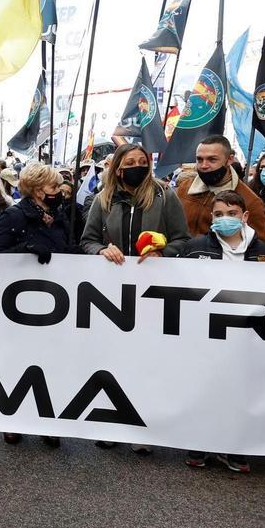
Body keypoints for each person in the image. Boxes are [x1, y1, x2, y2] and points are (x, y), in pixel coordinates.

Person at [81, 142, 191, 455]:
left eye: (142, 161)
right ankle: (111, 424)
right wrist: (102, 250)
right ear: (118, 167)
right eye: (130, 161)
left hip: (153, 291)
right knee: (111, 360)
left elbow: (182, 239)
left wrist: (163, 252)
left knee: (146, 360)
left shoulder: (163, 195)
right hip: (112, 293)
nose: (137, 165)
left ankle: (144, 426)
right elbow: (87, 240)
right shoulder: (102, 199)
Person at [179, 191, 265, 473]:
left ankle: (233, 448)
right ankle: (198, 444)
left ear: (245, 217)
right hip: (205, 335)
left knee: (240, 391)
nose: (225, 219)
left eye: (232, 214)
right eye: (219, 214)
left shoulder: (264, 253)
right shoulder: (195, 248)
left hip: (246, 336)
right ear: (211, 217)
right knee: (204, 388)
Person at [0, 163, 76, 448]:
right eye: (54, 188)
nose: (59, 192)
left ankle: (48, 422)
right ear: (39, 191)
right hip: (21, 304)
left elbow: (70, 249)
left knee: (52, 364)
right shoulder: (14, 216)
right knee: (19, 363)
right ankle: (14, 420)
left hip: (56, 303)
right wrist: (24, 250)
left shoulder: (62, 215)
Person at [176, 135, 265, 244]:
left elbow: (261, 248)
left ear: (229, 159)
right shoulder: (184, 189)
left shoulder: (250, 201)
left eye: (212, 159)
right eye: (200, 159)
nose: (204, 165)